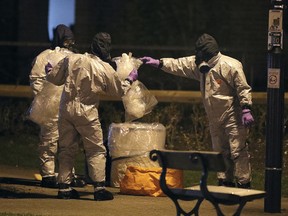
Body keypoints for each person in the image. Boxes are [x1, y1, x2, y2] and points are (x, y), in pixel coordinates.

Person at [139, 33, 254, 189]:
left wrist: (246, 108)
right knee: (220, 152)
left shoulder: (231, 65)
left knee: (238, 151)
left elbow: (243, 88)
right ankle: (225, 183)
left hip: (233, 115)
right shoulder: (200, 65)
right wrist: (159, 63)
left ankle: (243, 184)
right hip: (214, 117)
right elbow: (179, 64)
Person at [45, 37, 138, 200]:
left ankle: (64, 188)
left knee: (66, 148)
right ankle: (99, 188)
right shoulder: (104, 67)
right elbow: (118, 90)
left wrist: (49, 70)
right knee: (95, 149)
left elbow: (54, 78)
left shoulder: (71, 59)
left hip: (65, 109)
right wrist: (130, 79)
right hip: (87, 111)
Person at [29, 24, 85, 188]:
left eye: (71, 39)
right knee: (49, 140)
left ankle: (67, 176)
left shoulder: (75, 57)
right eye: (67, 39)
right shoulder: (45, 56)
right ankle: (48, 175)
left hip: (68, 105)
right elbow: (35, 79)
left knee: (69, 142)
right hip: (50, 108)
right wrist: (44, 97)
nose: (69, 43)